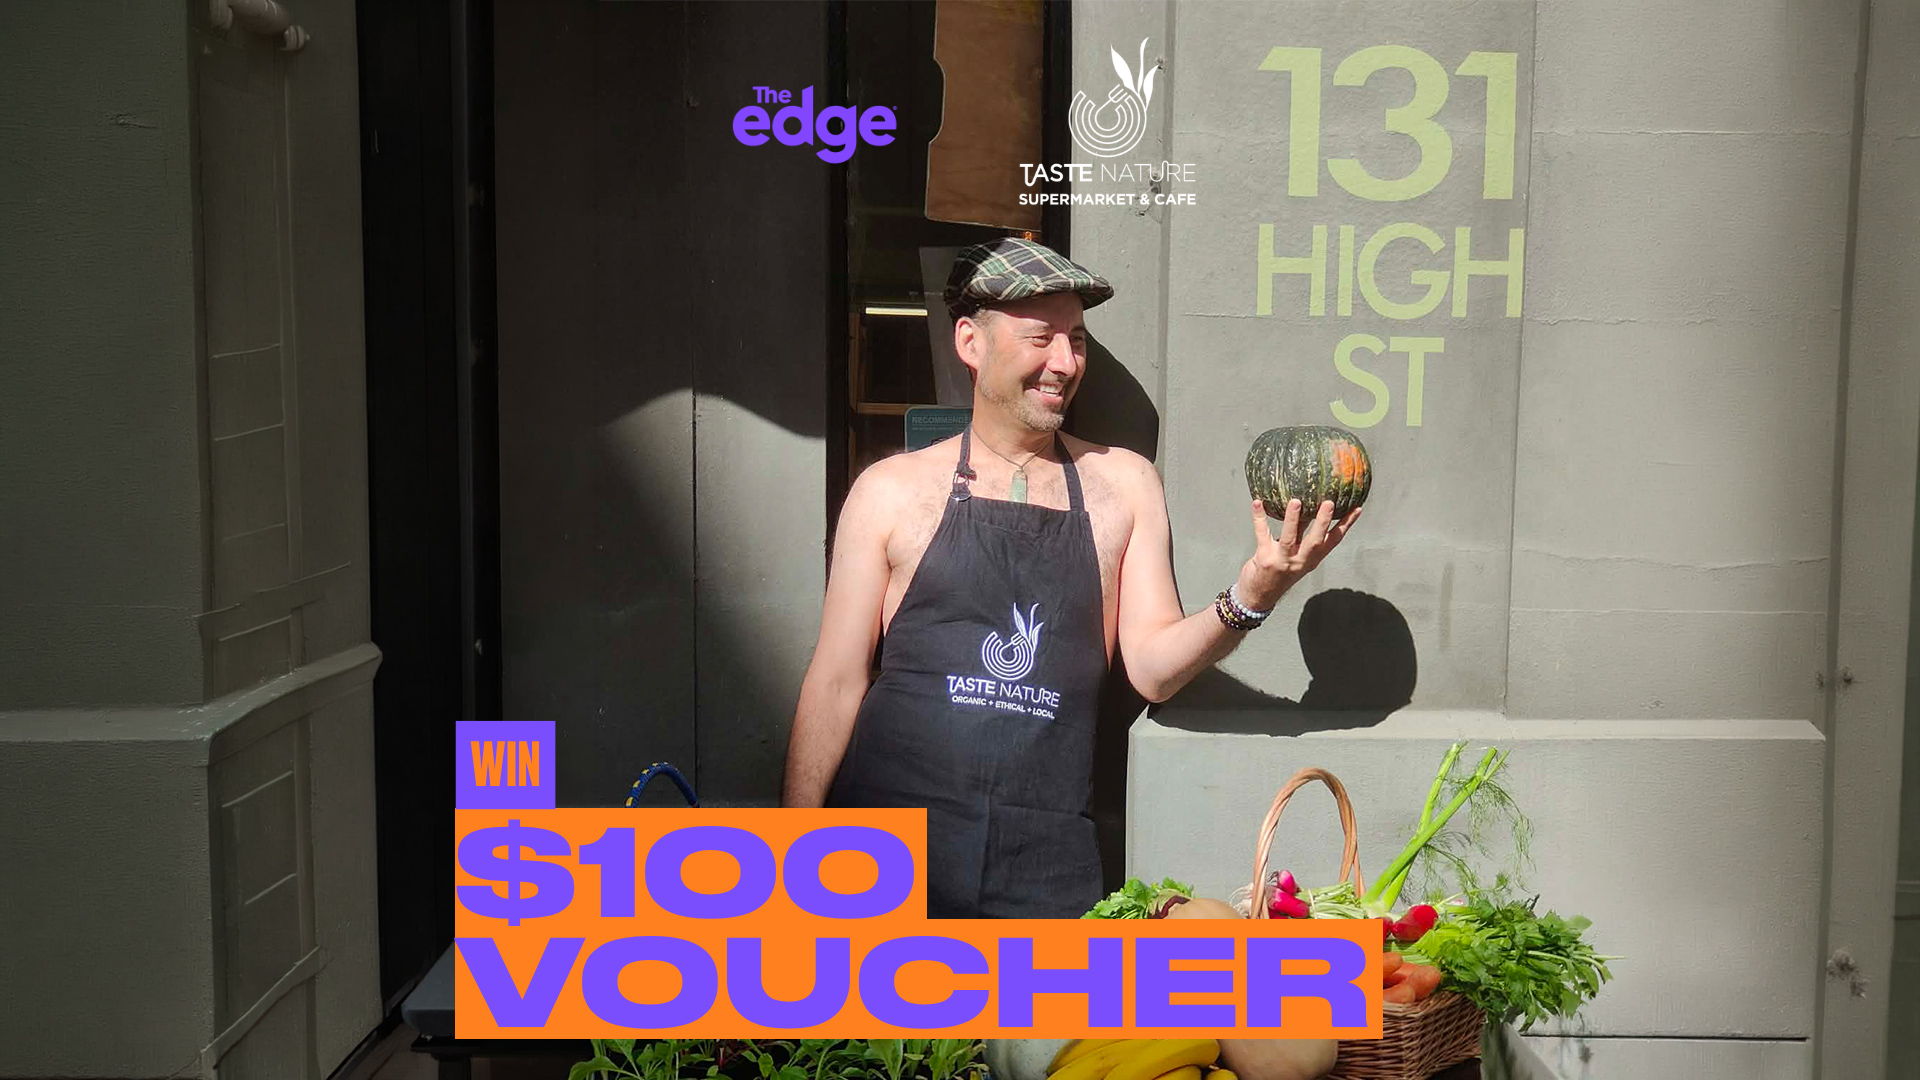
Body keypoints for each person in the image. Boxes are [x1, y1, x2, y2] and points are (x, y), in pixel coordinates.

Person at [780, 238, 1360, 918]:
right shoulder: (892, 489)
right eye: (1040, 339)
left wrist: (1254, 594)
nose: (1065, 363)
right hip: (882, 849)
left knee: (1041, 1030)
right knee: (879, 1030)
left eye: (1077, 341)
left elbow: (1150, 667)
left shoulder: (1124, 484)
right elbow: (837, 680)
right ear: (971, 343)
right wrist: (794, 848)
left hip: (1045, 859)